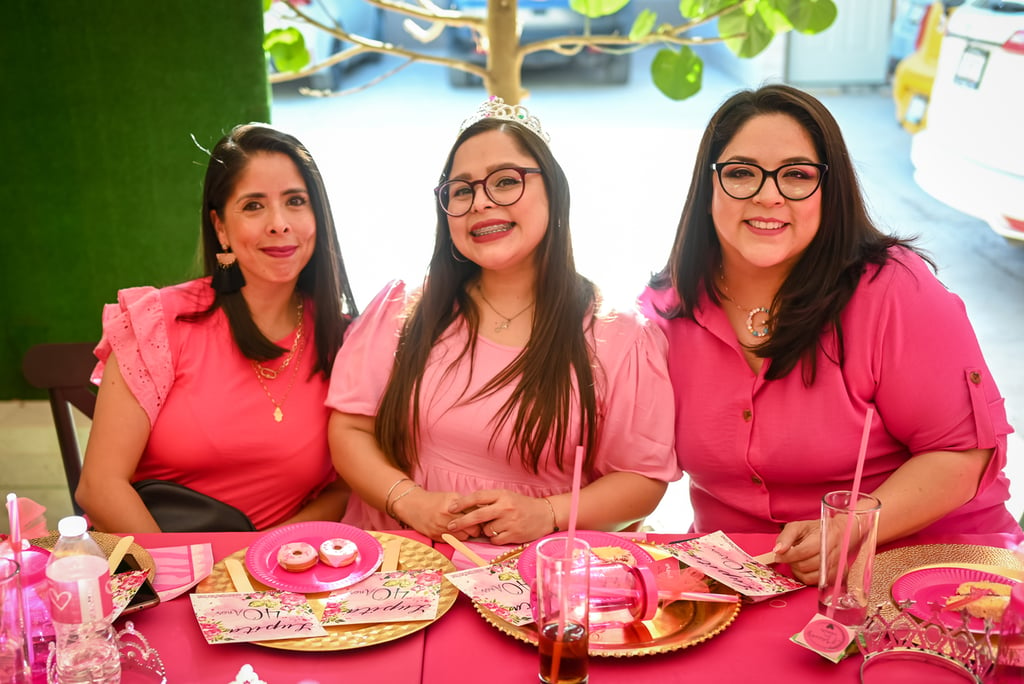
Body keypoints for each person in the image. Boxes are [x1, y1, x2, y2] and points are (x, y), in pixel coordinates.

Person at [640, 84, 1021, 584]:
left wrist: (853, 527)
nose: (768, 194)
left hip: (919, 565)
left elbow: (961, 454)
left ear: (829, 189)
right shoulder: (669, 312)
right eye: (740, 173)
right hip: (742, 578)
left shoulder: (892, 291)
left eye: (797, 175)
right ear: (708, 186)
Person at [327, 97, 679, 544]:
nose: (481, 202)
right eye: (462, 190)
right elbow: (349, 429)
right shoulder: (404, 308)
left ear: (554, 191)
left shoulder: (620, 335)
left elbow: (641, 482)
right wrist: (410, 501)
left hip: (535, 573)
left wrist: (546, 514)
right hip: (401, 566)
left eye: (506, 181)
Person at [76, 123, 358, 532]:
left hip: (278, 575)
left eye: (296, 201)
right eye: (253, 206)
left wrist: (258, 563)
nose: (279, 223)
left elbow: (346, 489)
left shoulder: (345, 341)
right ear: (220, 227)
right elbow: (100, 486)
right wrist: (189, 579)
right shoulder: (159, 322)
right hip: (157, 566)